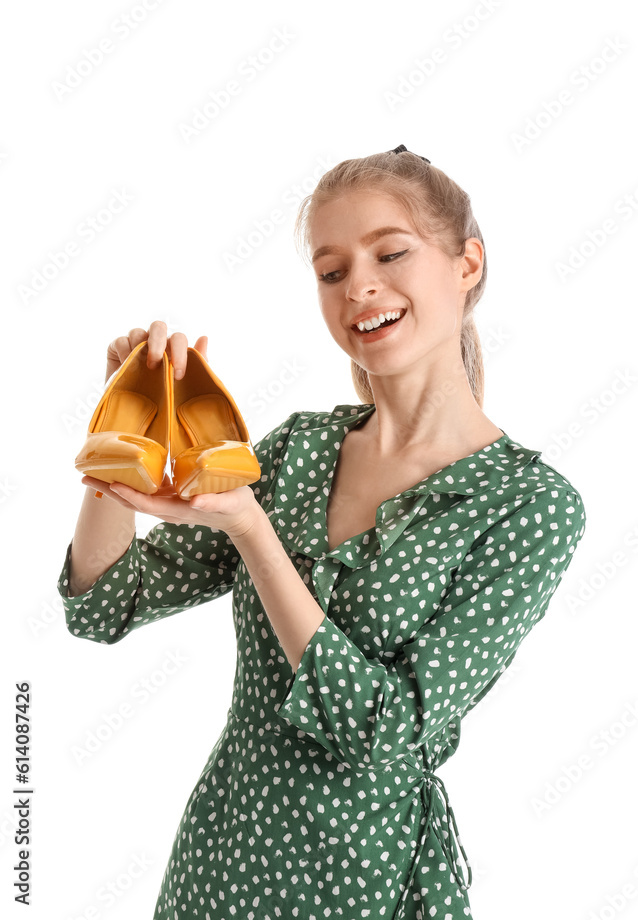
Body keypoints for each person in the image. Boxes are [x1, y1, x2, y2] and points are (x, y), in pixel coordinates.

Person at [57, 146, 587, 919]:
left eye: (391, 252)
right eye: (331, 271)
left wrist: (251, 531)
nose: (359, 286)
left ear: (467, 263)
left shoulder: (526, 506)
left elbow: (380, 733)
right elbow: (100, 607)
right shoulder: (295, 451)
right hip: (222, 862)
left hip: (360, 879)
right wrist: (124, 432)